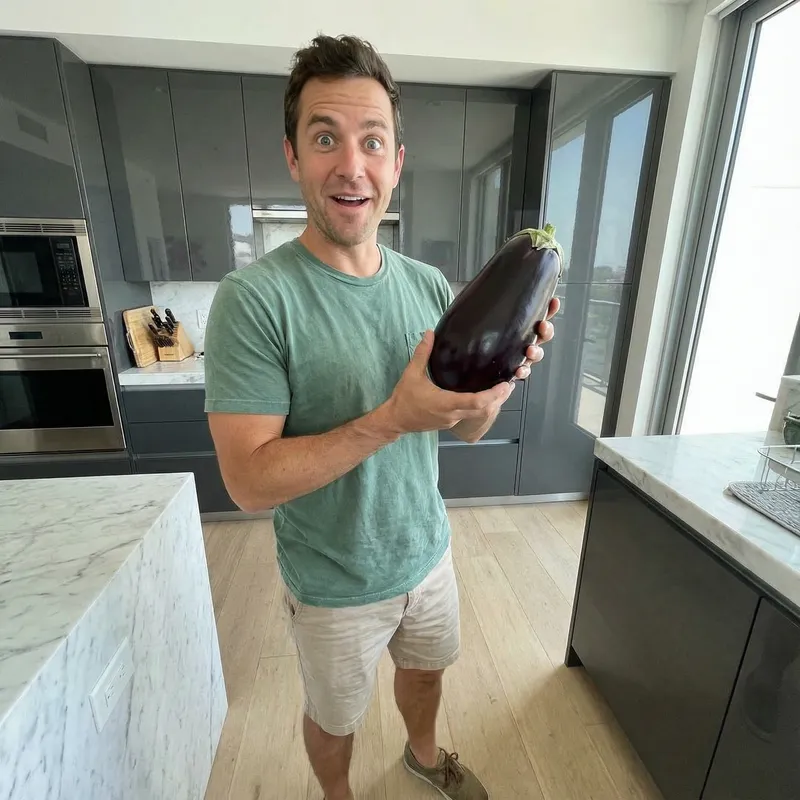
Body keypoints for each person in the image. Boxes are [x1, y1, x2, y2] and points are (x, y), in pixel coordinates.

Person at [203, 33, 559, 800]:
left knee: (427, 678)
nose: (351, 164)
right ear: (294, 156)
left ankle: (425, 756)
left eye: (372, 141)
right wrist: (391, 418)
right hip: (333, 581)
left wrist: (496, 388)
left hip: (426, 553)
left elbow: (465, 430)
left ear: (398, 161)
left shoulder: (433, 288)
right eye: (325, 137)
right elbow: (248, 483)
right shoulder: (254, 301)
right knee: (335, 718)